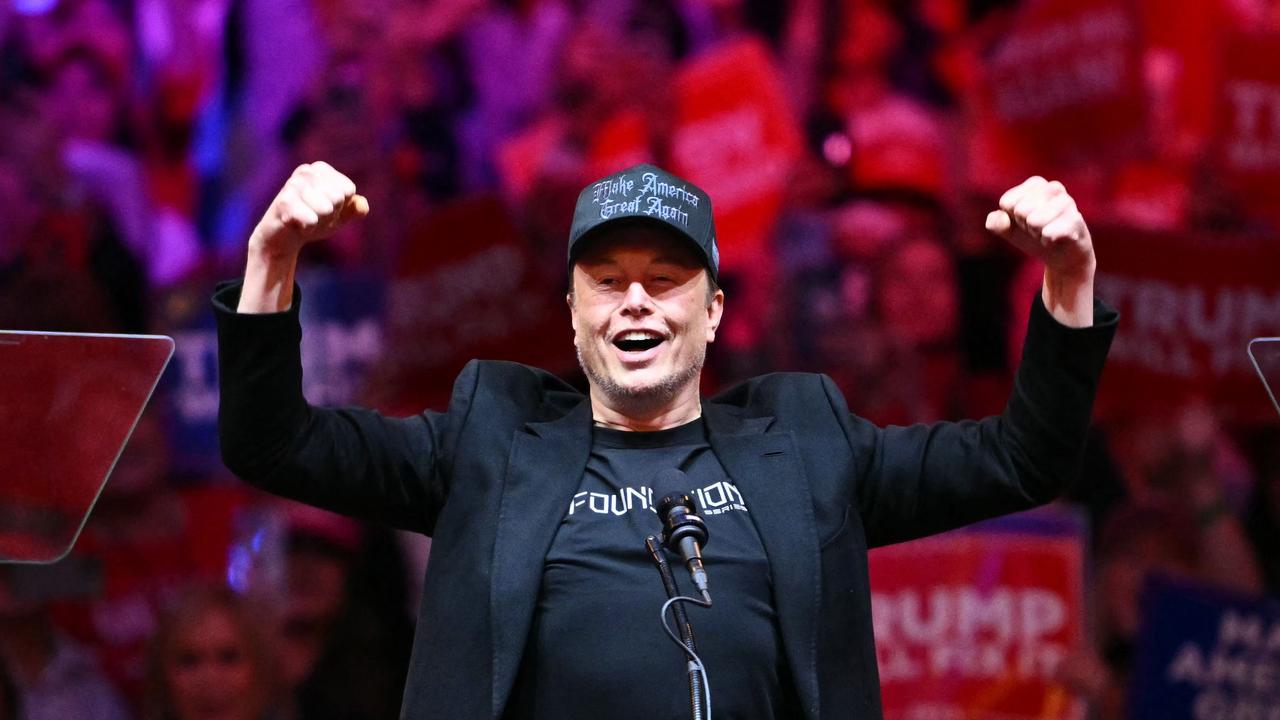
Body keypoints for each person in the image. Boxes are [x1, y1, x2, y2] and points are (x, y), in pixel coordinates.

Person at [214, 161, 1116, 719]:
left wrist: (1069, 280)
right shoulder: (490, 442)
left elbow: (1023, 457)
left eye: (666, 278)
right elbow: (274, 445)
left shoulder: (808, 444)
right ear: (571, 317)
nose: (636, 299)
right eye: (606, 280)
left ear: (715, 311)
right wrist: (272, 263)